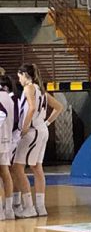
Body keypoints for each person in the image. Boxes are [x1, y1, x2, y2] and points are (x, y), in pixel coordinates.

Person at [10, 64, 63, 218]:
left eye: (19, 76)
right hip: (41, 129)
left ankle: (29, 207)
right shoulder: (42, 91)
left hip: (33, 131)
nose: (19, 80)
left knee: (17, 168)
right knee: (36, 167)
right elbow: (59, 107)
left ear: (24, 74)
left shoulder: (29, 88)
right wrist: (46, 123)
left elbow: (32, 108)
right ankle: (40, 207)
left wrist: (25, 126)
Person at [0, 76, 17, 221]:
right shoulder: (10, 98)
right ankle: (9, 210)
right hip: (7, 139)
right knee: (5, 173)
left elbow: (1, 114)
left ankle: (0, 211)